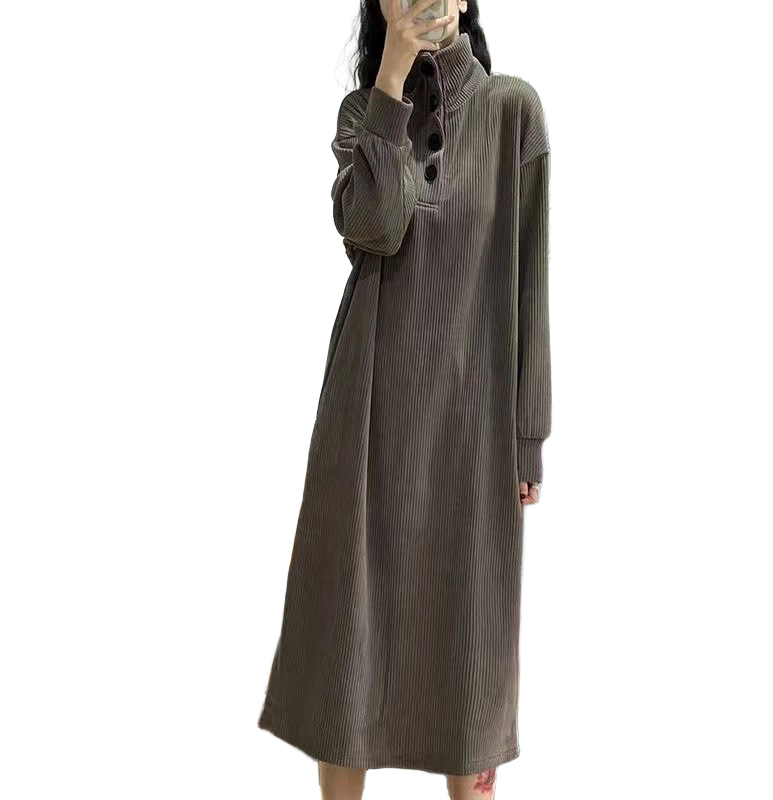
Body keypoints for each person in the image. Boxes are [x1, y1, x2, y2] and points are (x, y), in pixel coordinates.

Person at [257, 0, 551, 797]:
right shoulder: (365, 113)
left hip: (472, 429)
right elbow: (373, 228)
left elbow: (530, 285)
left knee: (469, 656)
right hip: (367, 421)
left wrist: (527, 435)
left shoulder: (514, 112)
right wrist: (390, 77)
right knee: (348, 650)